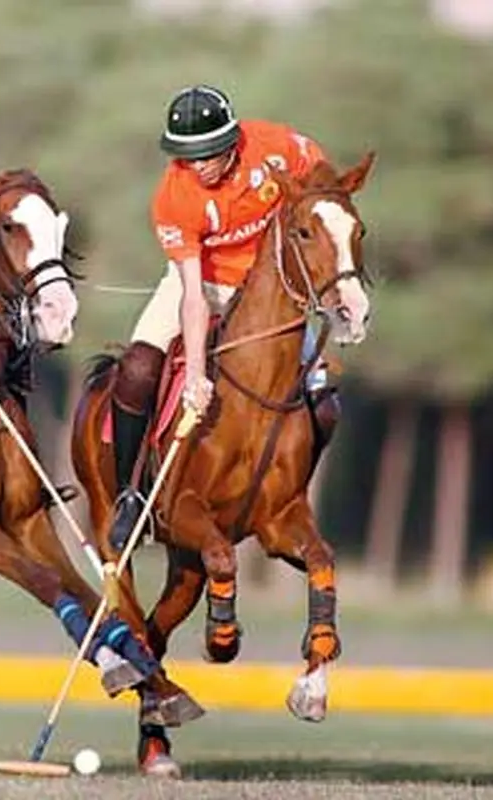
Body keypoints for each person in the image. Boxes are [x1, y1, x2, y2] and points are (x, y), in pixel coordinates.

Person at [107, 84, 341, 552]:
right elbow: (193, 297)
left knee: (322, 401)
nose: (197, 166)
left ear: (232, 142)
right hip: (202, 282)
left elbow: (323, 186)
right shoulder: (174, 196)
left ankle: (289, 495)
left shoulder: (276, 147)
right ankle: (130, 495)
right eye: (187, 157)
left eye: (207, 154)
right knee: (137, 367)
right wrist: (196, 375)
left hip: (271, 289)